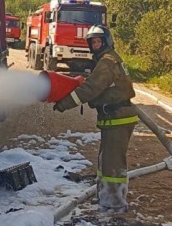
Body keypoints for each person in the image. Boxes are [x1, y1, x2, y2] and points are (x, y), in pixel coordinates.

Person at [54, 25, 137, 213]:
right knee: (106, 162)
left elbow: (90, 89)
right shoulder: (108, 60)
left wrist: (64, 103)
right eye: (93, 42)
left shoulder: (107, 62)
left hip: (118, 118)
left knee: (112, 165)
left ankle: (114, 205)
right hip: (114, 117)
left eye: (99, 41)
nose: (96, 45)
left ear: (106, 41)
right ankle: (105, 199)